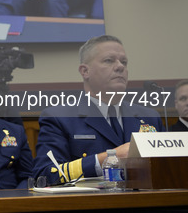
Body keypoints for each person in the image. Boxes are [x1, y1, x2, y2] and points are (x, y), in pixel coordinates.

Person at [33, 35, 162, 185]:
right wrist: (106, 159)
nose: (120, 66)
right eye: (109, 60)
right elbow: (45, 175)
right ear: (85, 71)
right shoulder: (59, 117)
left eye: (124, 62)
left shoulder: (149, 117)